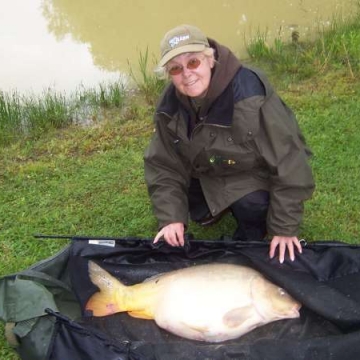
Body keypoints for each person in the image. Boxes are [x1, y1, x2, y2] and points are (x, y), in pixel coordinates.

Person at [144, 24, 315, 263]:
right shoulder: (169, 105)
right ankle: (214, 207)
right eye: (175, 68)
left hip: (249, 171)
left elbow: (290, 159)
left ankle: (251, 227)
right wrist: (171, 217)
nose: (186, 74)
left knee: (253, 205)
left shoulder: (250, 93)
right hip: (207, 167)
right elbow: (163, 165)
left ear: (210, 59)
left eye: (193, 62)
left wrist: (284, 229)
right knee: (195, 209)